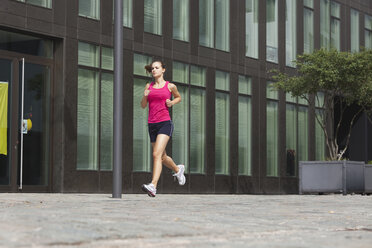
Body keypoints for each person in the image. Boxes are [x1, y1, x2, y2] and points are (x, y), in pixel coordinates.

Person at [140, 60, 186, 197]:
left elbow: (179, 97)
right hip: (152, 124)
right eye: (152, 68)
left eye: (157, 68)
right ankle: (178, 169)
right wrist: (145, 95)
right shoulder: (149, 86)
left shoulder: (170, 86)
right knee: (163, 156)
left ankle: (153, 185)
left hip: (165, 123)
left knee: (156, 155)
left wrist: (172, 102)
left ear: (163, 70)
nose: (154, 70)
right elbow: (143, 105)